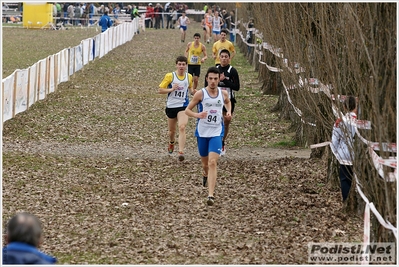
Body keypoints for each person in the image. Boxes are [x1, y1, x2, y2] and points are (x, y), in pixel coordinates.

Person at [185, 67, 231, 206]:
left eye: (215, 79)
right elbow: (187, 110)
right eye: (210, 78)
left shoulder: (223, 94)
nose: (213, 81)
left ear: (219, 80)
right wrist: (197, 115)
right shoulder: (200, 94)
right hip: (202, 132)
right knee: (205, 164)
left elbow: (228, 102)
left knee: (212, 162)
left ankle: (211, 195)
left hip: (216, 132)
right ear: (206, 79)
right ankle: (205, 174)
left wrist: (228, 112)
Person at [158, 56, 194, 161]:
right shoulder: (170, 76)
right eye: (180, 64)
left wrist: (194, 92)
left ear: (186, 66)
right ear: (176, 65)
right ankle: (171, 142)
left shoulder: (189, 76)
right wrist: (171, 89)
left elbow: (190, 88)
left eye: (183, 64)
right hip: (171, 106)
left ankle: (181, 151)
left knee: (182, 127)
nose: (181, 66)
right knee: (172, 132)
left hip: (183, 106)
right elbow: (160, 90)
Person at [205, 49, 240, 156]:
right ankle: (214, 142)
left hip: (228, 100)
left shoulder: (232, 70)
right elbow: (206, 85)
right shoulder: (214, 70)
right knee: (215, 121)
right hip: (215, 100)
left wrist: (225, 80)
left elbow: (237, 87)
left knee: (226, 121)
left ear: (229, 59)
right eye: (222, 56)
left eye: (226, 57)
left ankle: (222, 141)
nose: (224, 58)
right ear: (219, 58)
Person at [330, 95, 357, 202]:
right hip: (358, 156)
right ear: (356, 106)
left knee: (345, 180)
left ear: (344, 107)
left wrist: (337, 153)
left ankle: (347, 201)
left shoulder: (340, 121)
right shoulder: (361, 122)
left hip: (343, 156)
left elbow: (334, 140)